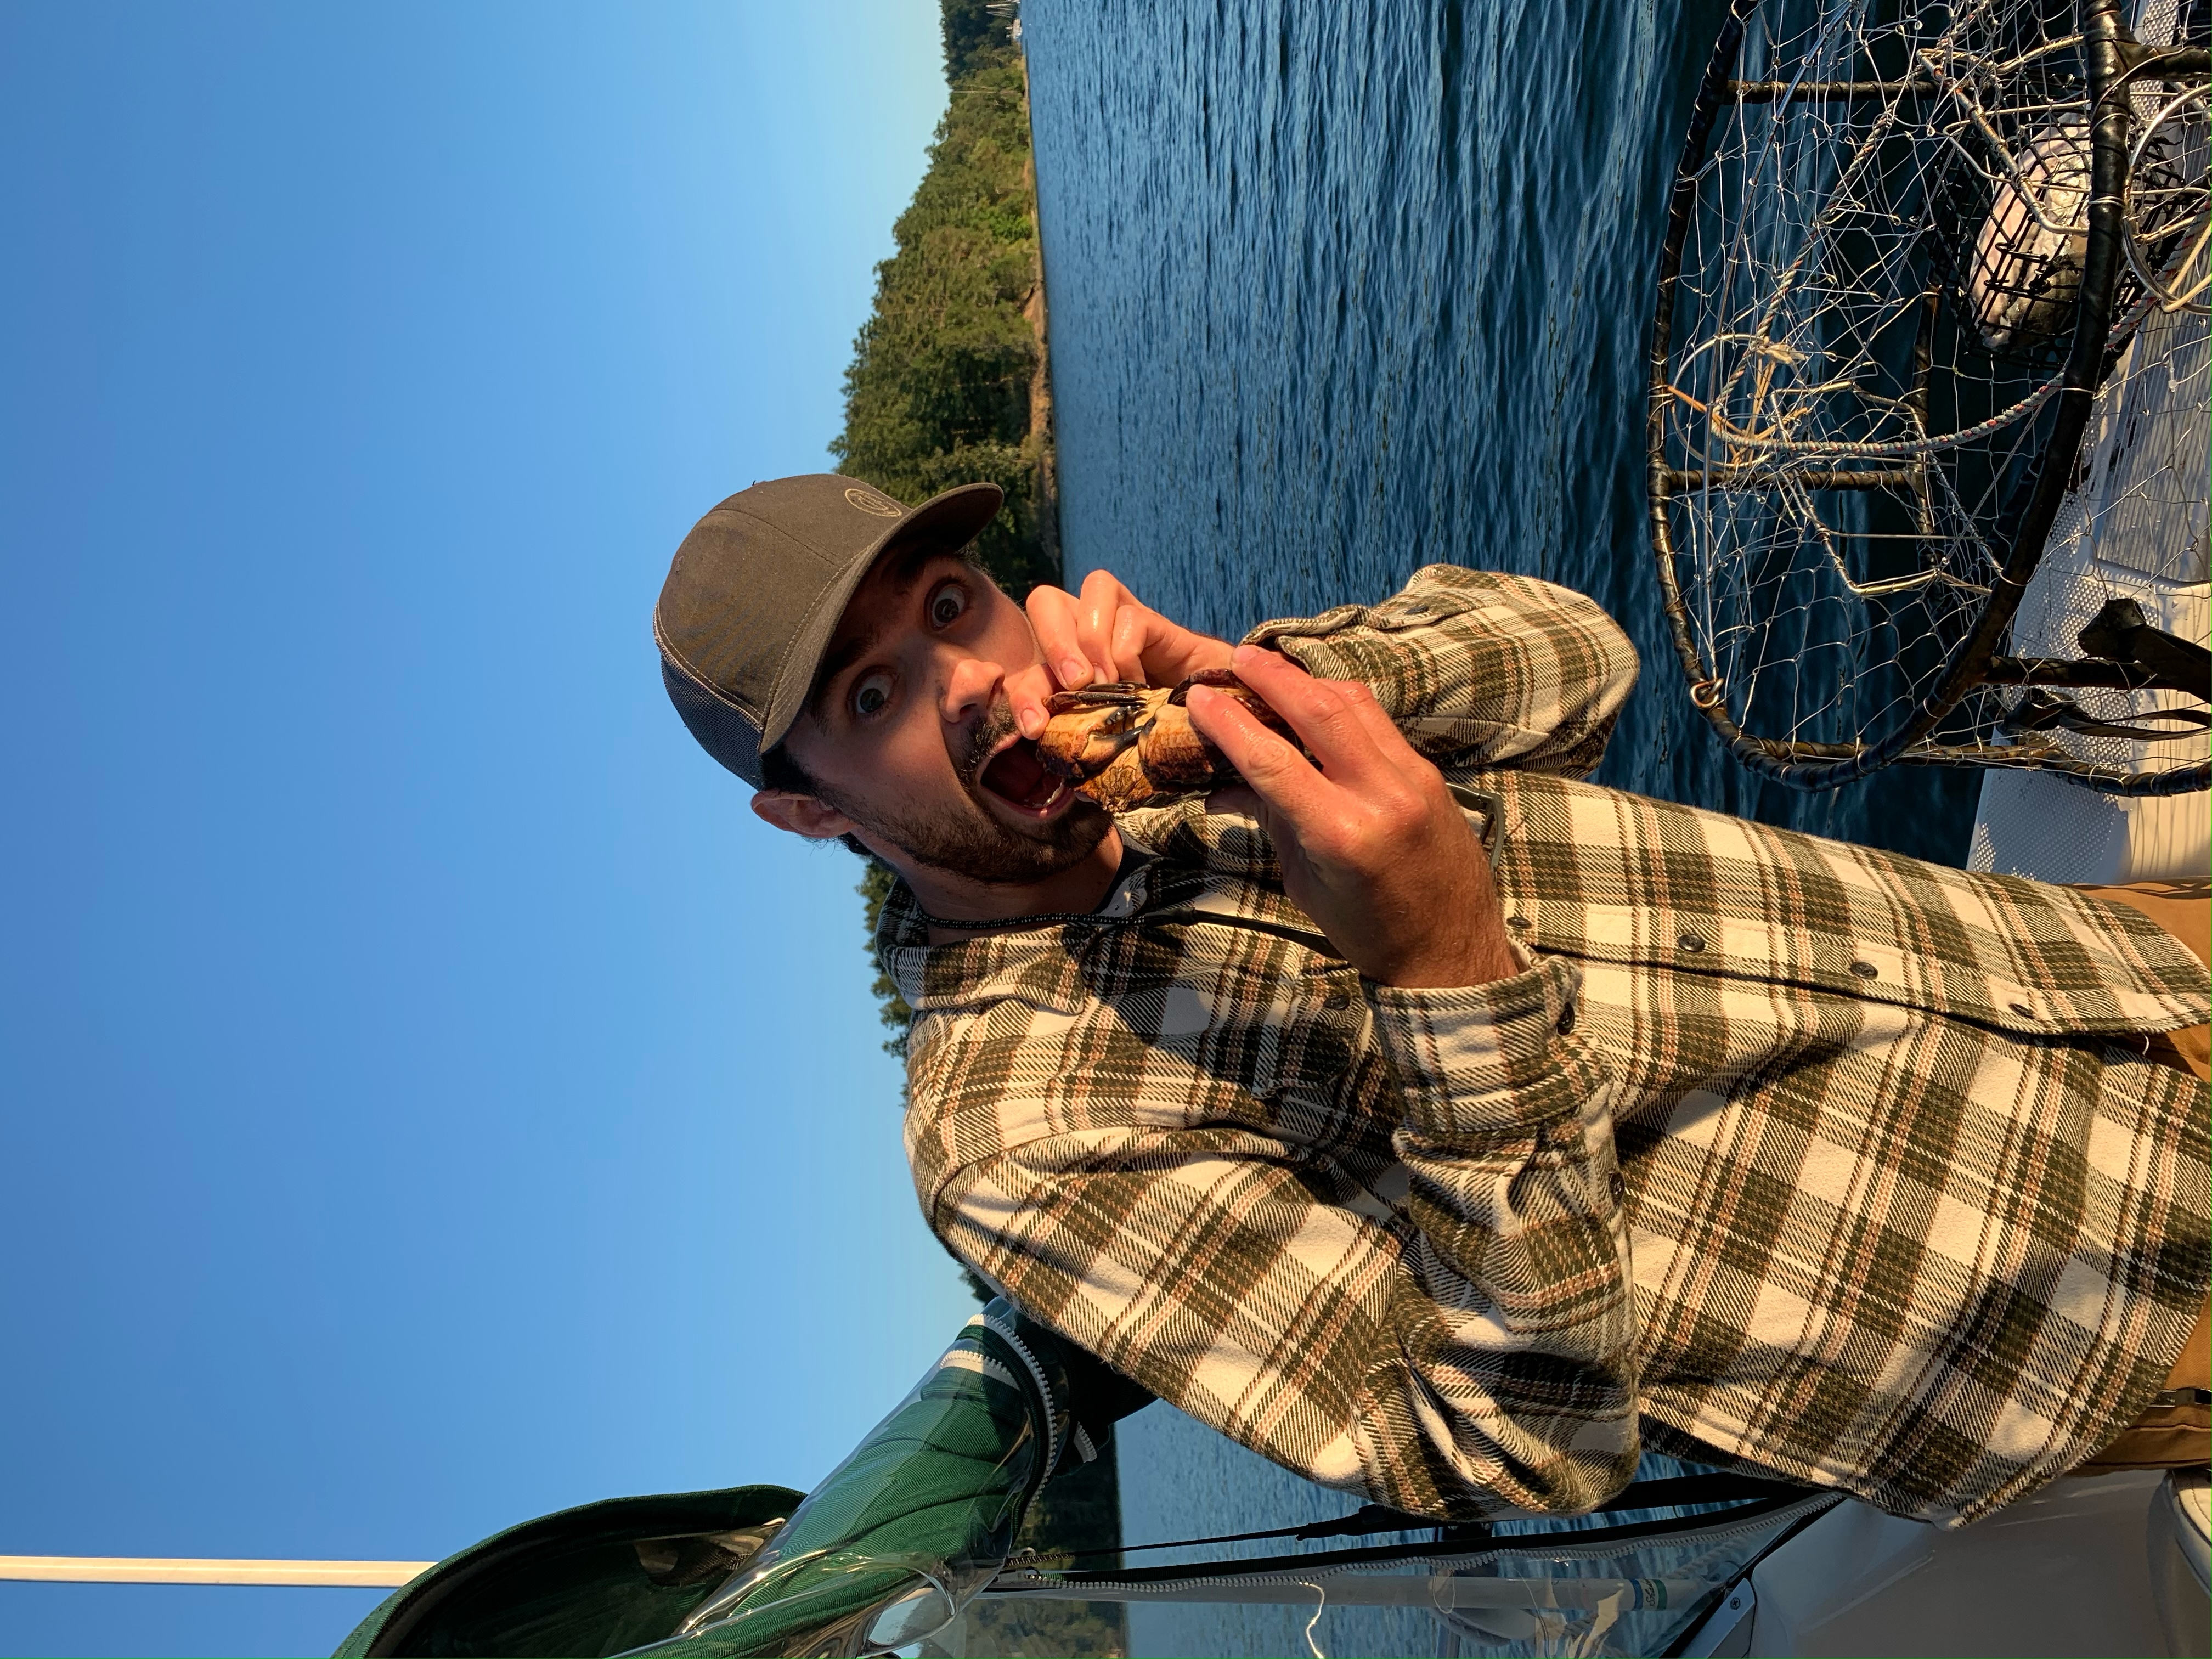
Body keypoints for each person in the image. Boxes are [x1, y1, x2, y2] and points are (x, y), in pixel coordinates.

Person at [654, 473, 2209, 1530]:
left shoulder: (1218, 733)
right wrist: (1443, 973)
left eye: (948, 605)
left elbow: (1583, 663)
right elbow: (1516, 1454)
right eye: (871, 698)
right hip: (2089, 1310)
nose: (970, 683)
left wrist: (1272, 679)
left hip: (2102, 958)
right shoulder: (1012, 1134)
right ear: (811, 815)